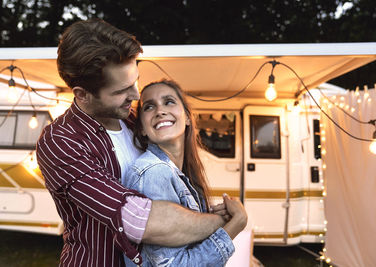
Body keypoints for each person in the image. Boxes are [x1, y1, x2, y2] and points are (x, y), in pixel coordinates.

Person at [36, 18, 246, 267]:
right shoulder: (61, 141)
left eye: (135, 80)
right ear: (82, 94)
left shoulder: (135, 119)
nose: (135, 95)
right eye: (120, 91)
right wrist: (224, 222)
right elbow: (140, 221)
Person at [121, 80, 247, 266]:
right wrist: (236, 223)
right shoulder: (154, 172)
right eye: (149, 106)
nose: (160, 111)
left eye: (169, 101)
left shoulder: (179, 173)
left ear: (188, 117)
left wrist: (219, 216)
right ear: (142, 128)